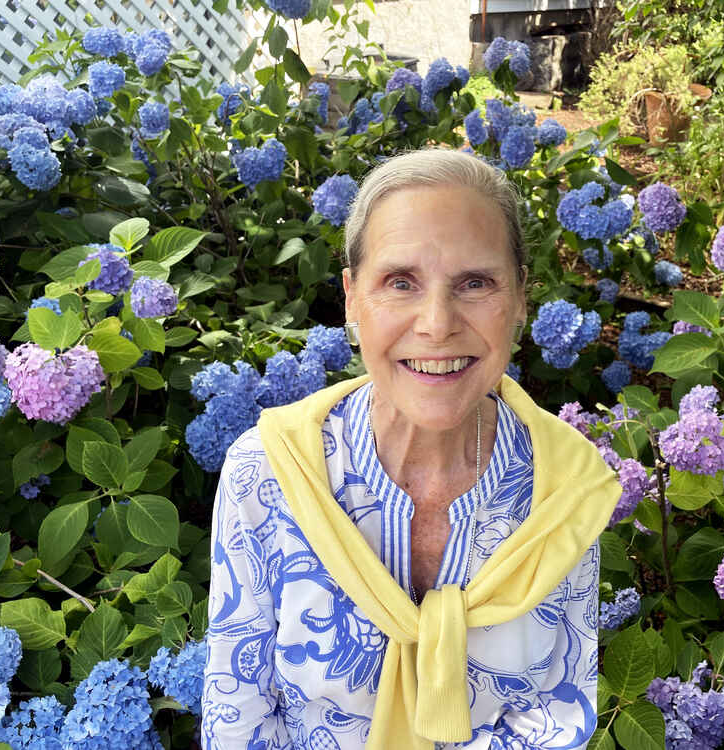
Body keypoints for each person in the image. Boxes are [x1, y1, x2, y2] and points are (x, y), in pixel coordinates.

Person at [202, 148, 621, 750]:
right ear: (351, 298)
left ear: (520, 299)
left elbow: (554, 719)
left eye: (474, 283)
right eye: (400, 282)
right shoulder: (267, 471)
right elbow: (237, 717)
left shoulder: (564, 487)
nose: (436, 323)